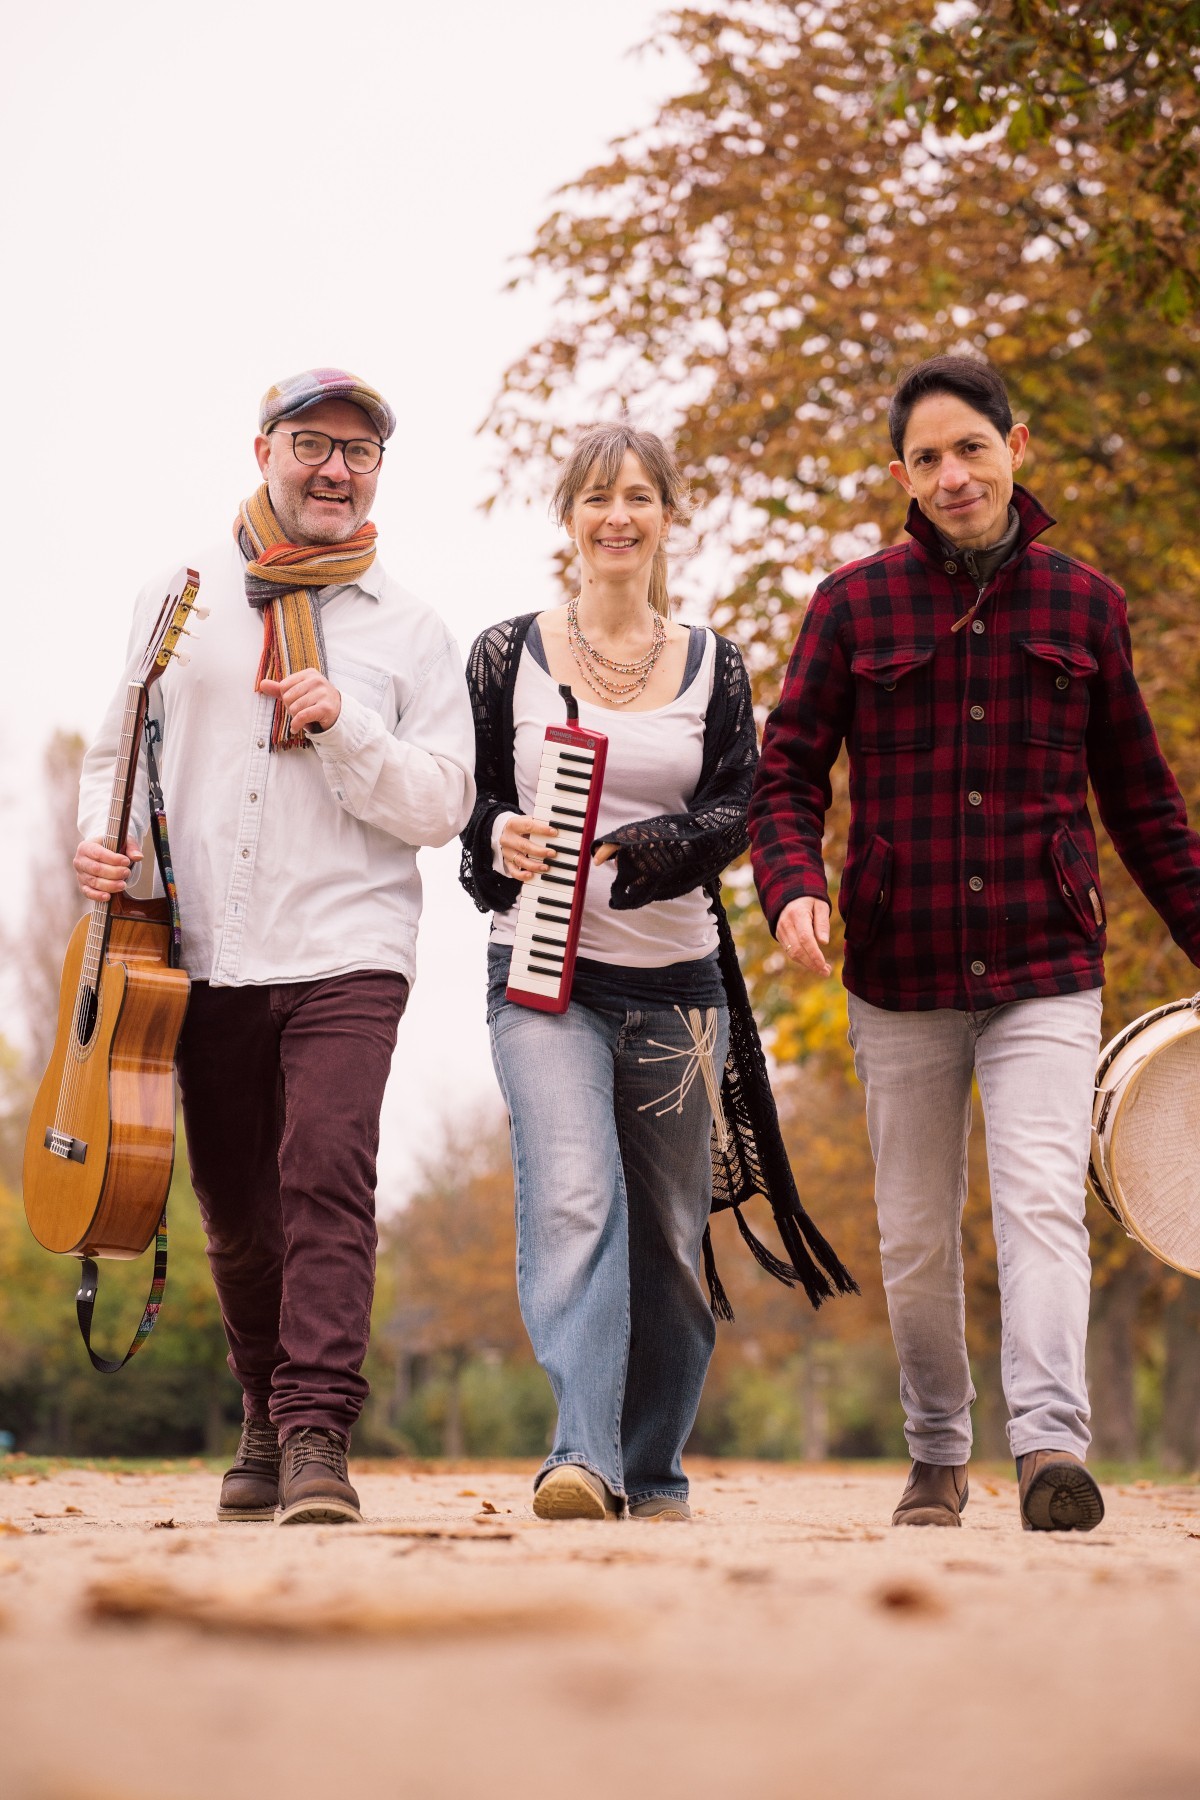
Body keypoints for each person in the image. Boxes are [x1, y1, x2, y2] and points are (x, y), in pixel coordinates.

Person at [749, 354, 1200, 1531]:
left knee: (1042, 1196)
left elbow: (1145, 804)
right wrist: (793, 888)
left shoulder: (1086, 606)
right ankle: (938, 1448)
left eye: (973, 449)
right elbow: (786, 777)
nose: (954, 476)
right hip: (899, 973)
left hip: (1048, 965)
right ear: (902, 473)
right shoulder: (852, 606)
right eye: (929, 458)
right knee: (911, 1232)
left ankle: (1051, 1447)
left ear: (1018, 447)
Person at [74, 368, 475, 1525]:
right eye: (313, 444)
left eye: (359, 452)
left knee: (327, 1179)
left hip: (348, 945)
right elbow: (116, 756)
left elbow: (444, 801)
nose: (336, 468)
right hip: (202, 952)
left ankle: (314, 1436)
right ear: (265, 452)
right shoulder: (183, 594)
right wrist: (99, 851)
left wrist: (346, 726)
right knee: (239, 1212)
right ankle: (262, 1408)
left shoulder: (410, 630)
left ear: (378, 475)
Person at [460, 422, 854, 1522]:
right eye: (594, 499)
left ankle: (650, 1467)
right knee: (576, 1197)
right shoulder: (507, 655)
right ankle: (579, 1458)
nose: (616, 516)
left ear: (668, 515)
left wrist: (656, 847)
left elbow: (742, 804)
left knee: (673, 1242)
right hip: (542, 978)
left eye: (637, 496)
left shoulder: (714, 663)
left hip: (677, 985)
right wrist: (502, 839)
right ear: (567, 520)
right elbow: (473, 805)